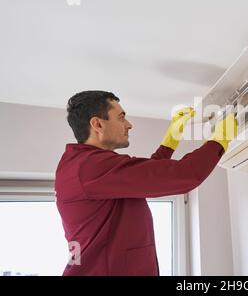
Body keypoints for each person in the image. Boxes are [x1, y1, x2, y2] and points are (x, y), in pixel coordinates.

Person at [55, 90, 236, 276]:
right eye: (121, 117)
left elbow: (146, 176)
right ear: (98, 124)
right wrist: (220, 139)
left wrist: (171, 139)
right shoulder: (90, 167)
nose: (129, 125)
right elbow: (185, 174)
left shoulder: (82, 165)